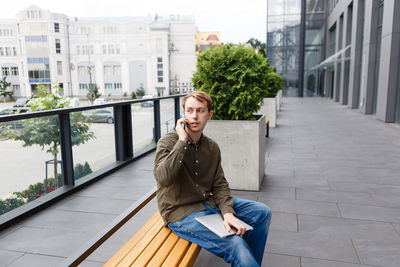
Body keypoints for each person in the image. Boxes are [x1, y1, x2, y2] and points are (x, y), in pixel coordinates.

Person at [154, 91, 271, 267]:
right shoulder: (168, 142)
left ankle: (248, 263)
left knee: (262, 212)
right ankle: (245, 260)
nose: (194, 116)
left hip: (207, 203)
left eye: (200, 111)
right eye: (189, 110)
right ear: (183, 113)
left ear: (209, 115)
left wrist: (228, 213)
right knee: (236, 244)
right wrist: (182, 141)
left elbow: (219, 184)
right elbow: (163, 178)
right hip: (179, 212)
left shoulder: (212, 147)